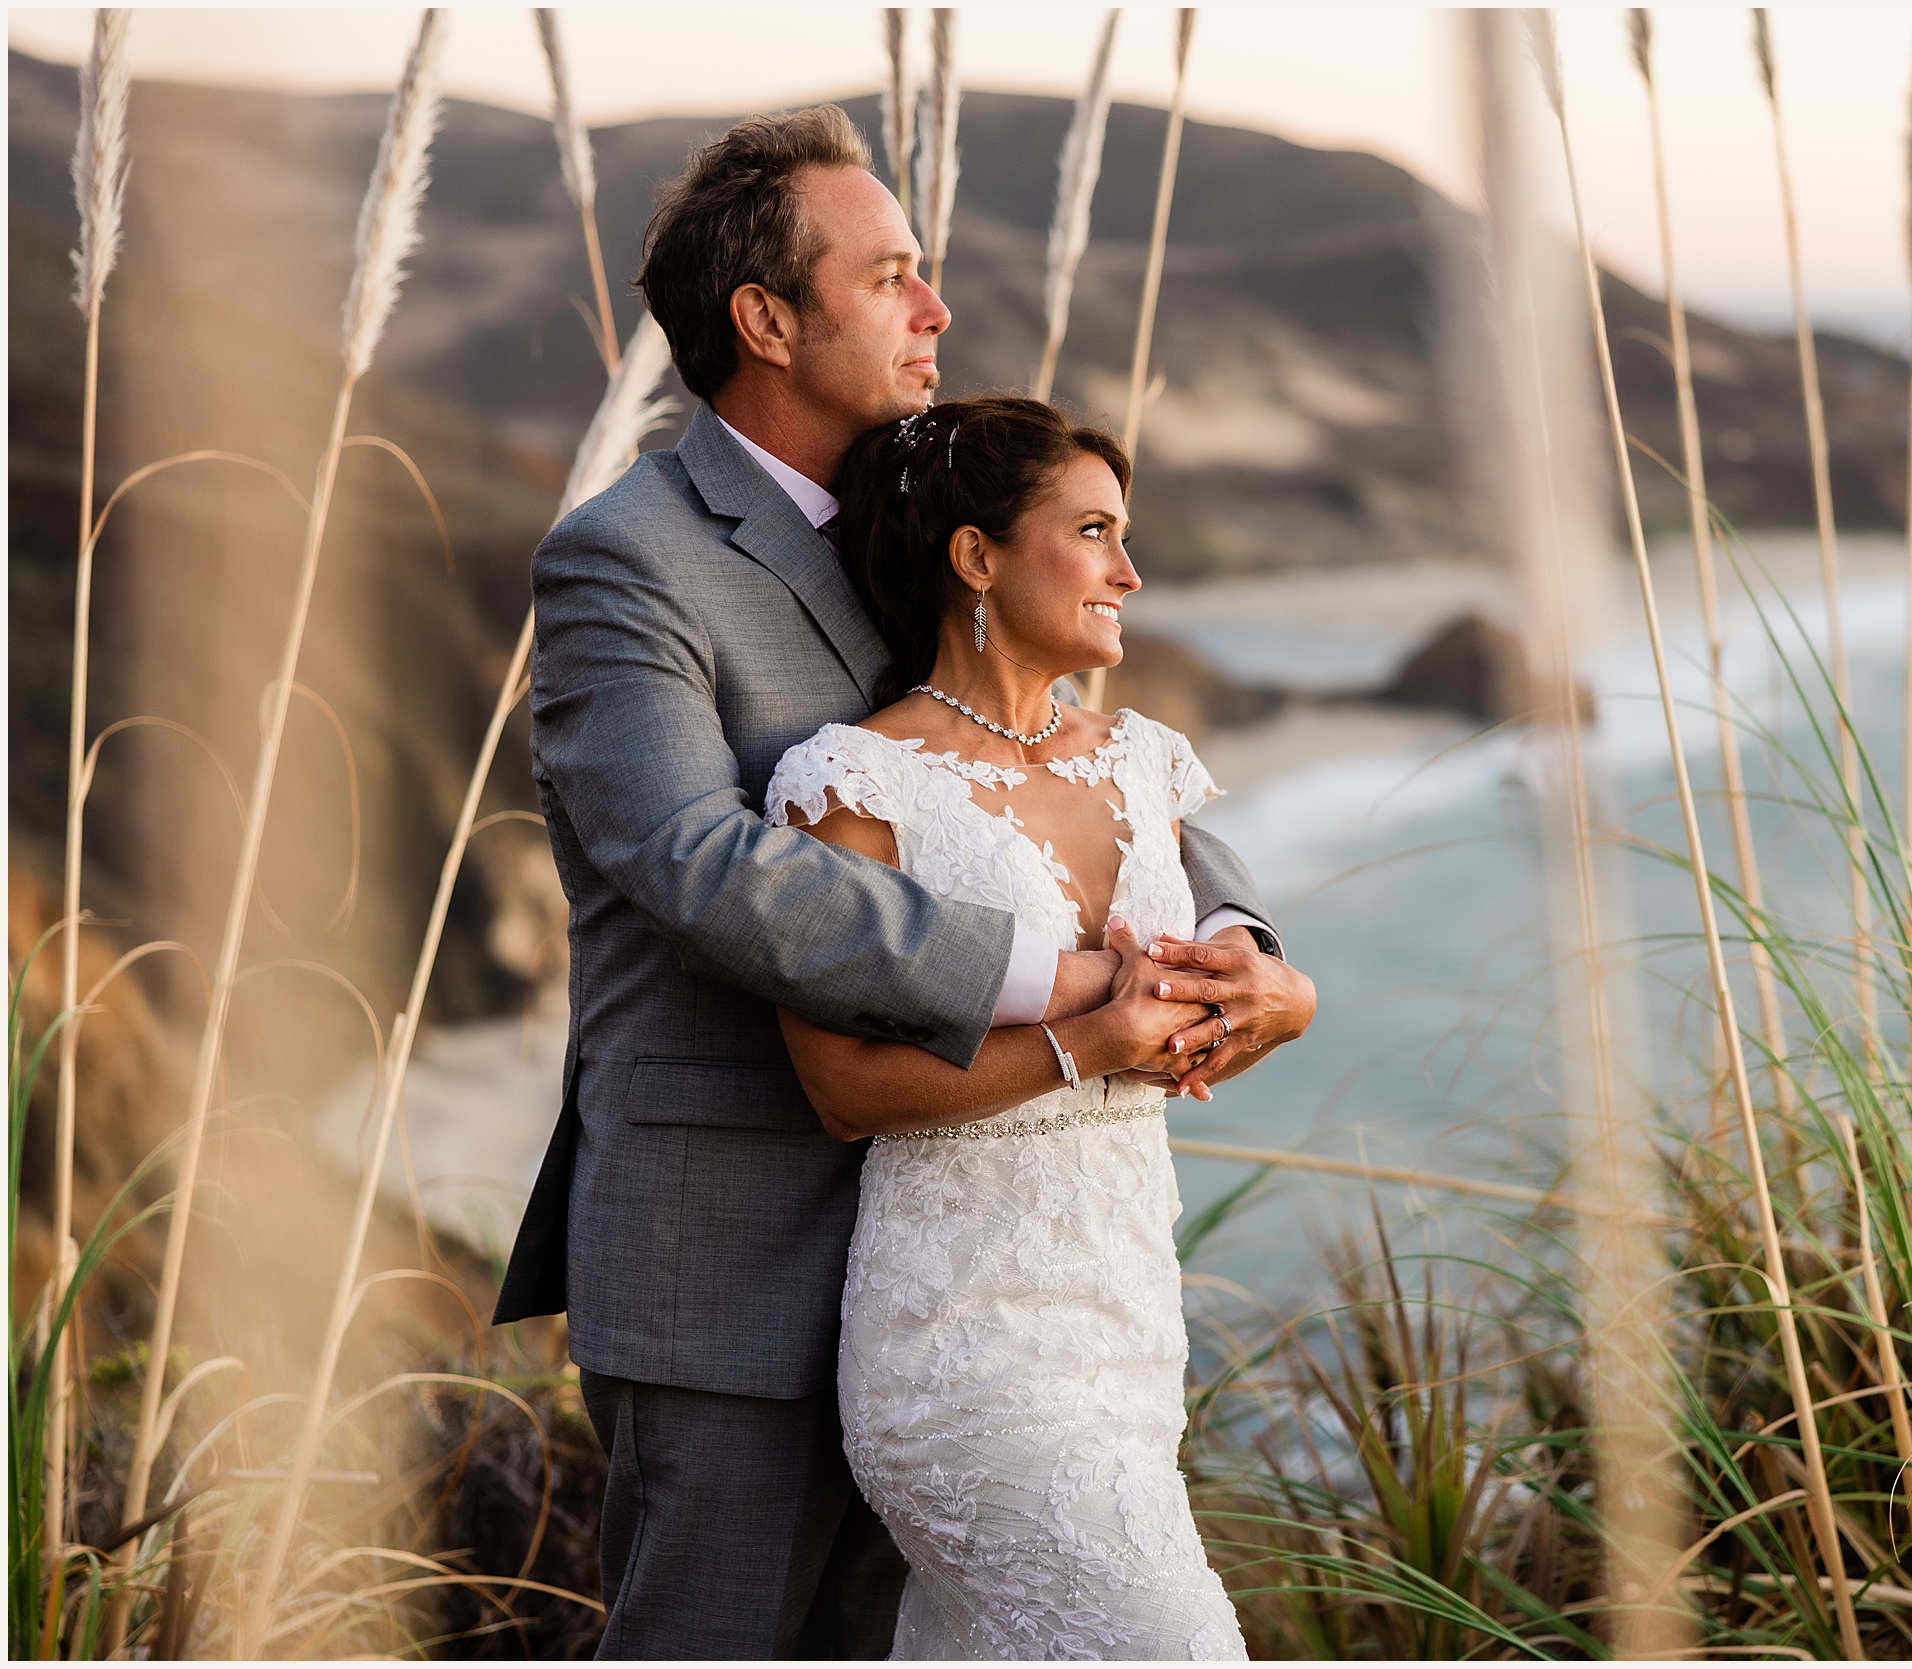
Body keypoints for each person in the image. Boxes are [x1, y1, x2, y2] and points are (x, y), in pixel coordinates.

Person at [491, 105, 1315, 1660]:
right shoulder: (628, 560)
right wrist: (1068, 977)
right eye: (893, 276)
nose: (937, 309)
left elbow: (1048, 753)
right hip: (732, 1249)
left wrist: (1234, 939)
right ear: (767, 321)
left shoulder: (927, 524)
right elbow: (697, 860)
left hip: (983, 1282)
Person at [766, 394, 1268, 1660]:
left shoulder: (1145, 759)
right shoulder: (856, 782)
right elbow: (840, 1087)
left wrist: (1253, 997)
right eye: (1093, 531)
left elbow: (1231, 962)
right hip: (962, 1341)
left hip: (1126, 1315)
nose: (1128, 571)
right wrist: (1088, 1047)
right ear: (976, 555)